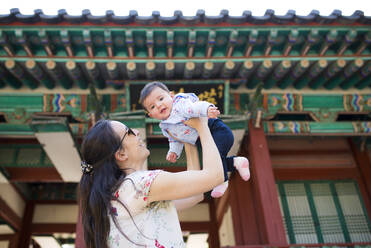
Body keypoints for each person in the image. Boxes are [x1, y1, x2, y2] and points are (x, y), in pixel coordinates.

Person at [79, 117, 224, 247]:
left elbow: (195, 195)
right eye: (129, 131)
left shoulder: (121, 195)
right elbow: (215, 176)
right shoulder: (138, 184)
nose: (137, 132)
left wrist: (186, 138)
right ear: (121, 154)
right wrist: (202, 125)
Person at [140, 81, 250, 198]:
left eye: (161, 99)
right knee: (209, 161)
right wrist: (174, 152)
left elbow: (195, 107)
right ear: (151, 115)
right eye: (152, 106)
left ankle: (222, 181)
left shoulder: (180, 106)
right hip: (204, 139)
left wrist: (207, 109)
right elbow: (175, 139)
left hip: (215, 130)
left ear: (171, 96)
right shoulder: (166, 126)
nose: (158, 105)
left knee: (215, 158)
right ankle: (236, 162)